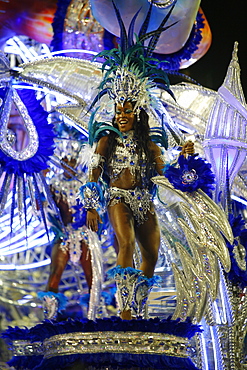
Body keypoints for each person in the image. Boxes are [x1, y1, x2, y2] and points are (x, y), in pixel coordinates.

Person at [80, 99, 194, 320]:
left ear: (137, 114)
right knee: (127, 243)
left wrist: (183, 158)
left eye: (127, 111)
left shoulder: (150, 146)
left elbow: (168, 176)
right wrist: (91, 206)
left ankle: (139, 310)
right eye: (118, 111)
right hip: (117, 198)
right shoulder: (106, 141)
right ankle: (125, 314)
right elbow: (93, 173)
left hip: (144, 200)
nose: (122, 115)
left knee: (151, 255)